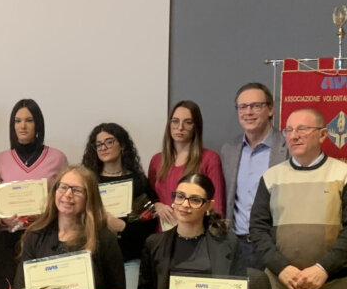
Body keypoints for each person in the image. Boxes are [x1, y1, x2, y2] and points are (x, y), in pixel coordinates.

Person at [249, 109, 347, 289]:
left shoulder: (345, 175)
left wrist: (323, 268)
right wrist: (282, 268)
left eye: (302, 129)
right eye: (289, 130)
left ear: (323, 135)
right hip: (280, 285)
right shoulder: (271, 177)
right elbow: (258, 230)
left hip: (332, 287)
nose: (294, 136)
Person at [14, 166, 126, 289]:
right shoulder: (35, 236)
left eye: (76, 190)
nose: (68, 194)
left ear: (89, 197)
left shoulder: (104, 239)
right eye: (63, 187)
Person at [0, 99, 68, 289]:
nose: (22, 126)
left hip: (45, 236)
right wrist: (4, 219)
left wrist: (45, 215)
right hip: (9, 240)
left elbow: (66, 198)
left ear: (38, 124)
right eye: (17, 121)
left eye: (29, 120)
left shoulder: (57, 158)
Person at [136, 173, 246, 289]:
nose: (185, 204)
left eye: (195, 200)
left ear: (208, 205)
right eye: (180, 197)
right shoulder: (154, 243)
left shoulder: (228, 243)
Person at [219, 83, 287, 270]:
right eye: (243, 107)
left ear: (270, 109)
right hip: (236, 244)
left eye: (256, 106)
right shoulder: (229, 150)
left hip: (275, 245)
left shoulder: (287, 147)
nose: (248, 112)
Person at [81, 122, 158, 263]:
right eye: (98, 144)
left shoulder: (138, 180)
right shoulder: (88, 181)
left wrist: (122, 227)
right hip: (97, 255)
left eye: (109, 142)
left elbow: (150, 222)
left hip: (132, 256)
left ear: (122, 145)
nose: (103, 148)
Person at [147, 100, 225, 229]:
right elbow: (150, 198)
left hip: (196, 233)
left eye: (188, 122)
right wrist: (157, 205)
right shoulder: (157, 160)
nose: (180, 127)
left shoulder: (210, 159)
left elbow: (217, 206)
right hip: (162, 234)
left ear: (196, 126)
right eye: (175, 121)